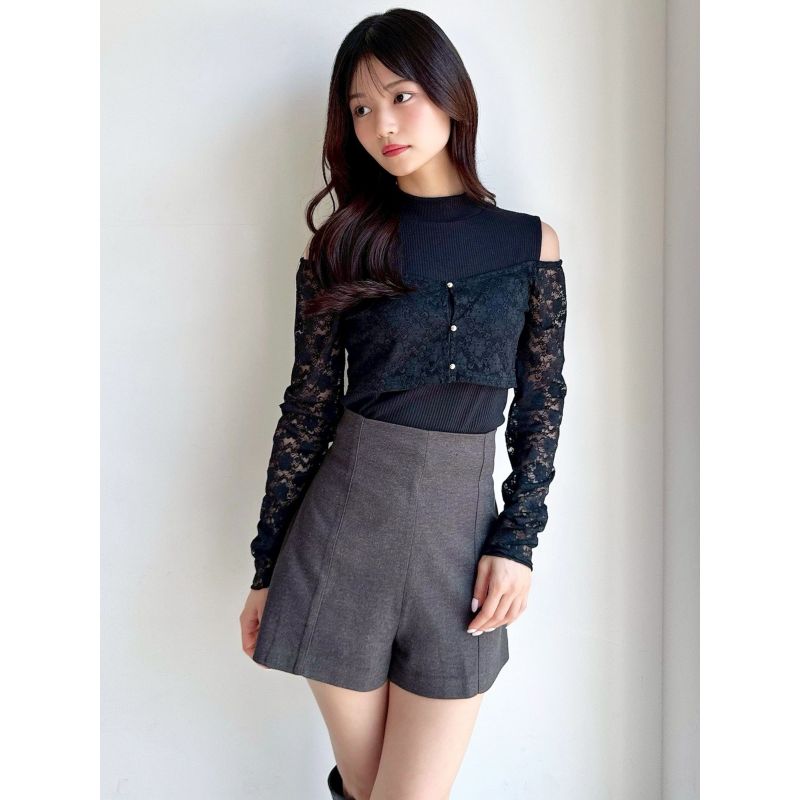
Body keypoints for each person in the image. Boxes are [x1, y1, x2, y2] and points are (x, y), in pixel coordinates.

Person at [239, 9, 567, 799]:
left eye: (400, 96)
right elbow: (307, 410)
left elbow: (542, 404)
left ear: (450, 94)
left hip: (461, 552)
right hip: (342, 541)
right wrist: (266, 566)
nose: (381, 124)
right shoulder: (340, 249)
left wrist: (518, 541)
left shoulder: (531, 245)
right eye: (360, 108)